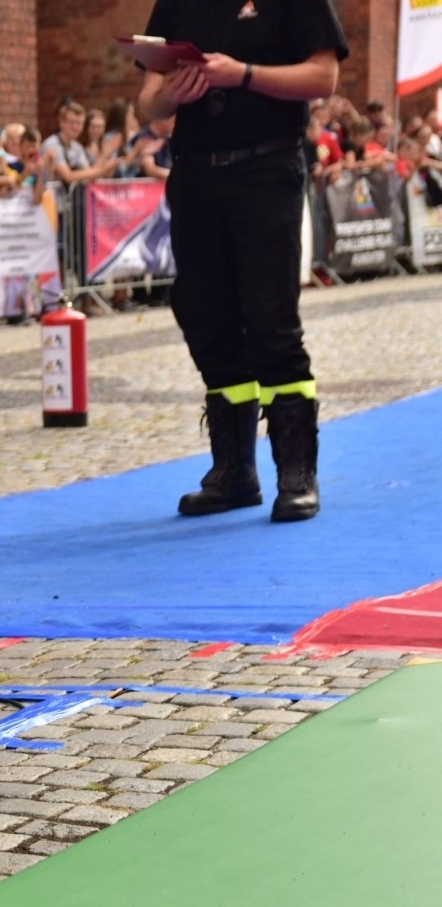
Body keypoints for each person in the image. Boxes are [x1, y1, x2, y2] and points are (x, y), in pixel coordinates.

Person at [136, 0, 347, 522]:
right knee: (207, 319)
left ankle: (296, 473)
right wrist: (170, 95)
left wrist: (244, 75)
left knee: (272, 323)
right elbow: (146, 105)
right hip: (194, 174)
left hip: (267, 167)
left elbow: (324, 75)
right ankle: (234, 471)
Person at [43, 100, 120, 185]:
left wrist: (107, 159)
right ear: (62, 123)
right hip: (49, 197)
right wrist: (102, 169)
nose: (75, 127)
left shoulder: (77, 147)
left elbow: (88, 173)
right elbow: (68, 176)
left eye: (79, 123)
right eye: (72, 122)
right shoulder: (52, 144)